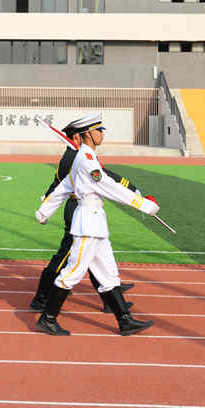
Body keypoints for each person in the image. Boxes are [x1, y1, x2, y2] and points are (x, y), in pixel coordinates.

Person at [34, 113, 157, 336]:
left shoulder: (84, 157)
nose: (102, 134)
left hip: (95, 223)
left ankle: (124, 320)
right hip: (87, 224)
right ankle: (48, 318)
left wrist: (44, 211)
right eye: (98, 130)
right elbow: (109, 187)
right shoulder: (87, 161)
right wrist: (143, 205)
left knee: (108, 273)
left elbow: (64, 187)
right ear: (87, 134)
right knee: (72, 272)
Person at [30, 119, 134, 314]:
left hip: (84, 210)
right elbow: (93, 178)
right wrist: (135, 195)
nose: (102, 133)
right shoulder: (73, 157)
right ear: (78, 136)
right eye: (98, 130)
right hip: (77, 209)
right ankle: (42, 297)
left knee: (94, 255)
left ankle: (110, 298)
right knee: (66, 257)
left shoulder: (79, 154)